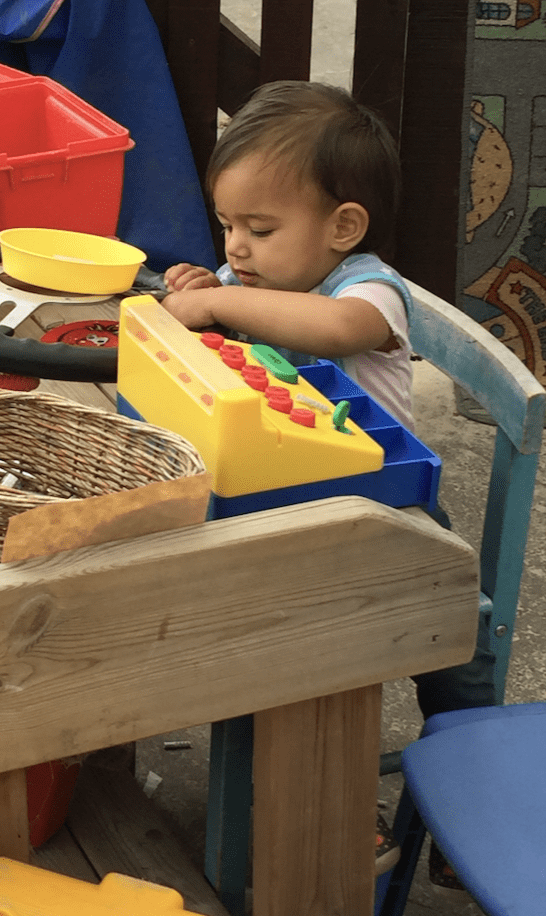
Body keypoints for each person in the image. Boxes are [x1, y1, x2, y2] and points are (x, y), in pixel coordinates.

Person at [161, 80, 494, 889]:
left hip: (388, 505)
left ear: (343, 227)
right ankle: (316, 795)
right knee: (272, 641)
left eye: (260, 229)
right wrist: (197, 295)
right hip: (287, 494)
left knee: (453, 642)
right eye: (227, 225)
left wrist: (228, 305)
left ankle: (476, 792)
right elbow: (226, 319)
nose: (235, 248)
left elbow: (338, 333)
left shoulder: (366, 287)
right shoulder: (254, 276)